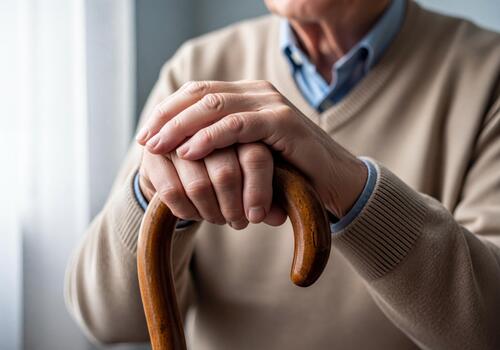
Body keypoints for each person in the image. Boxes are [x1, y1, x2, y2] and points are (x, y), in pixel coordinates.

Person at [64, 0, 500, 348]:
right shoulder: (196, 69)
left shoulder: (488, 75)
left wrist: (350, 187)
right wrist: (152, 194)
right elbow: (106, 320)